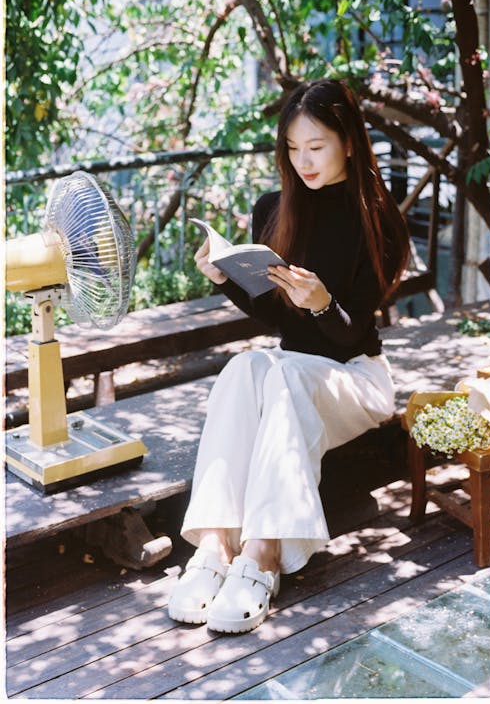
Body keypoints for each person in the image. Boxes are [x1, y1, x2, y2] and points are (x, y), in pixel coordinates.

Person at [168, 78, 410, 634]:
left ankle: (265, 552)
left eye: (317, 146)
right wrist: (227, 279)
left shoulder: (378, 218)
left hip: (355, 376)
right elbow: (279, 323)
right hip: (294, 369)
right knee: (244, 367)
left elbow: (349, 337)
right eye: (293, 149)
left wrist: (325, 305)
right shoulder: (275, 208)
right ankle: (214, 544)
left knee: (283, 379)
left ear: (349, 141)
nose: (303, 161)